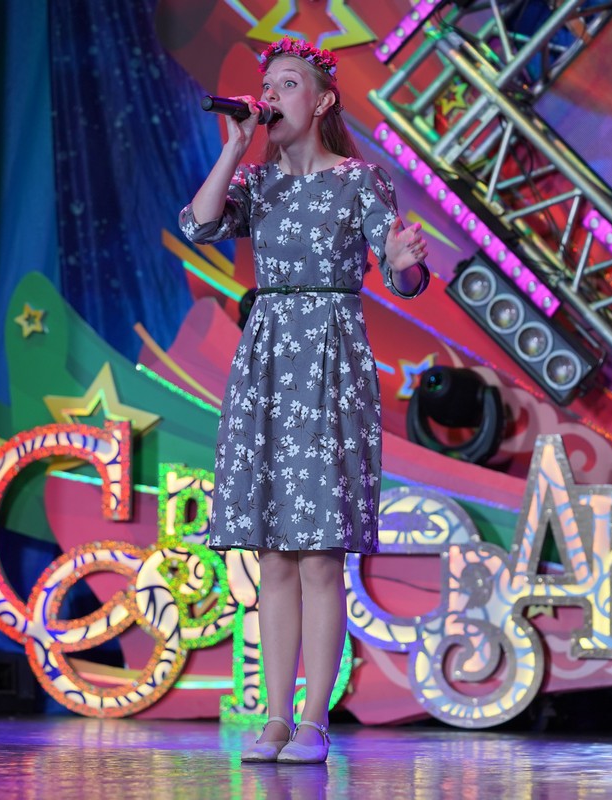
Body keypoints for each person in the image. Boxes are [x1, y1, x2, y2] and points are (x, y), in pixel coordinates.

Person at [178, 36, 429, 764]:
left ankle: (315, 719)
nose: (271, 97)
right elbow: (197, 225)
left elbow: (404, 275)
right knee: (272, 556)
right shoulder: (256, 182)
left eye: (286, 85)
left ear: (320, 102)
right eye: (267, 86)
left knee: (319, 555)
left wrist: (406, 266)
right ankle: (274, 718)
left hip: (329, 360)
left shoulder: (359, 180)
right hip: (265, 362)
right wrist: (234, 147)